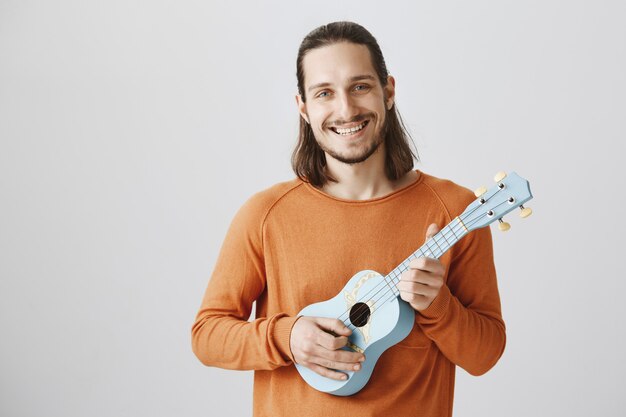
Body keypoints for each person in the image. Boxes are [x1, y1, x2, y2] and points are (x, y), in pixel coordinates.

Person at [192, 21, 505, 417]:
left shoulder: (454, 212)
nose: (346, 109)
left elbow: (486, 354)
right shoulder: (265, 215)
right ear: (303, 108)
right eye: (324, 93)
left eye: (360, 86)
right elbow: (207, 335)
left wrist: (439, 306)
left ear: (388, 91)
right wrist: (288, 337)